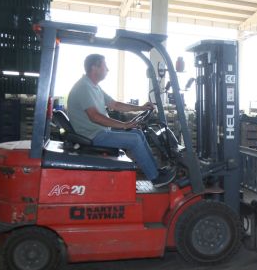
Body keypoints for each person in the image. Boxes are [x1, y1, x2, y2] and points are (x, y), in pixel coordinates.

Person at [67, 54, 176, 187]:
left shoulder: (94, 86)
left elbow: (116, 105)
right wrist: (124, 125)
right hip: (93, 136)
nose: (107, 69)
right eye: (104, 65)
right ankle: (155, 178)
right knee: (134, 140)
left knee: (137, 133)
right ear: (94, 68)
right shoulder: (84, 87)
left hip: (99, 132)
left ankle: (156, 172)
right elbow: (94, 116)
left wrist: (141, 107)